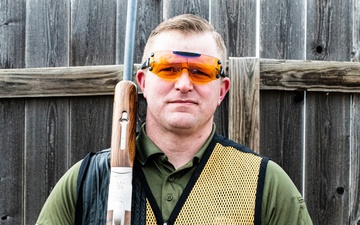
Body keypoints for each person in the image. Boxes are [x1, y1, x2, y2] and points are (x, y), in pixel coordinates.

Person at [36, 14, 313, 225]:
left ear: (222, 90)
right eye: (168, 68)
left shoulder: (265, 184)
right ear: (143, 82)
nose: (183, 84)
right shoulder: (86, 181)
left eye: (201, 71)